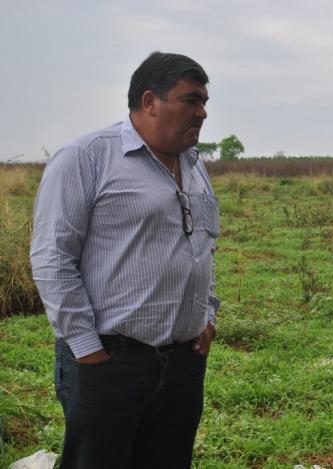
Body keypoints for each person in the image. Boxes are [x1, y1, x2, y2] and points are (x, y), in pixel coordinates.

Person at [30, 51, 219, 469]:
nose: (202, 112)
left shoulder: (193, 165)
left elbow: (203, 245)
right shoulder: (87, 157)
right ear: (149, 101)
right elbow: (52, 258)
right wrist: (87, 350)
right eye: (191, 100)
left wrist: (207, 316)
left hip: (184, 363)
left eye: (204, 101)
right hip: (111, 361)